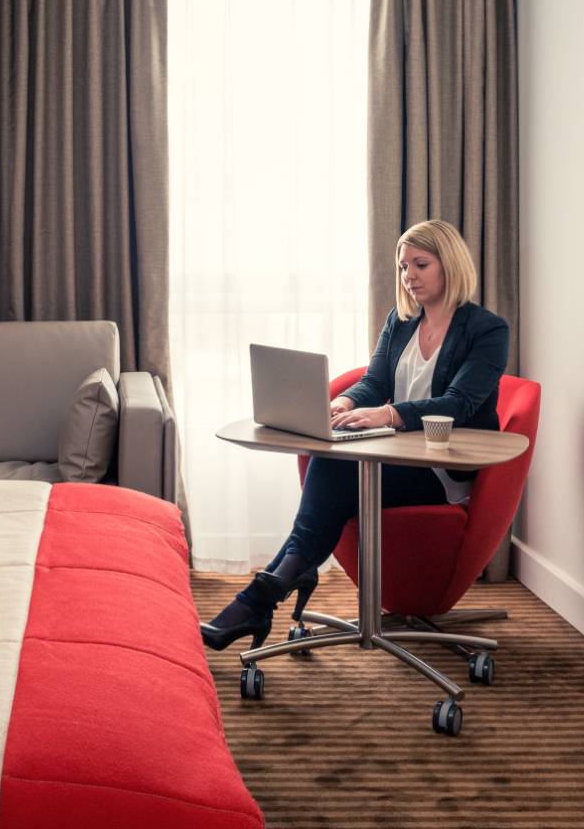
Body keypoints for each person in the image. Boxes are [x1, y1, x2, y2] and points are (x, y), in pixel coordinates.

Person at [200, 219, 511, 651]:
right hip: (396, 458)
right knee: (332, 462)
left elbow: (459, 403)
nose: (409, 277)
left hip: (442, 469)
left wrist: (387, 413)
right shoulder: (401, 322)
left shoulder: (486, 330)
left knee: (331, 469)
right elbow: (374, 380)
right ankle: (272, 588)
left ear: (450, 265)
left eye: (420, 264)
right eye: (403, 267)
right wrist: (343, 403)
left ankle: (264, 594)